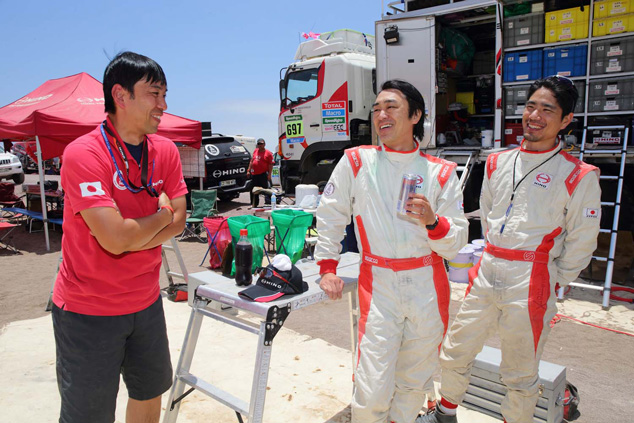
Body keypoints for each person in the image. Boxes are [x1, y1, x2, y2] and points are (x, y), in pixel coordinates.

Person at [419, 76, 601, 423]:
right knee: (456, 349)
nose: (535, 115)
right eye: (531, 106)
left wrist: (551, 277)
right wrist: (498, 252)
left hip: (531, 278)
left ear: (565, 120)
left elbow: (582, 241)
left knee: (520, 369)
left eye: (547, 109)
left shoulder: (578, 174)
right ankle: (445, 413)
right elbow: (488, 214)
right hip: (488, 267)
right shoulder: (496, 162)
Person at [315, 79, 468, 423]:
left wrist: (433, 222)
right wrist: (327, 266)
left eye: (391, 107)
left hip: (427, 283)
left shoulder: (440, 172)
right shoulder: (357, 162)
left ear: (416, 115)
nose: (381, 115)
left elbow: (457, 239)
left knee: (413, 382)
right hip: (379, 283)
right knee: (371, 388)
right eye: (376, 109)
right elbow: (330, 215)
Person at [51, 51, 187, 423]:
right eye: (154, 94)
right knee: (89, 415)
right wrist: (159, 216)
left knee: (148, 394)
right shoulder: (83, 153)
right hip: (87, 310)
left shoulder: (166, 150)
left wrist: (132, 234)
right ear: (120, 95)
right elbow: (115, 239)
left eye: (164, 94)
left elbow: (180, 223)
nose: (163, 105)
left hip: (146, 302)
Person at [247, 138, 274, 207]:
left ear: (264, 144)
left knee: (266, 190)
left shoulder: (268, 153)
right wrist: (248, 170)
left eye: (261, 144)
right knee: (253, 190)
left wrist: (269, 175)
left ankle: (270, 203)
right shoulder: (255, 151)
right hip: (254, 174)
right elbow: (251, 161)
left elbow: (271, 164)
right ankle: (254, 204)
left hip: (263, 174)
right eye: (259, 144)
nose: (260, 145)